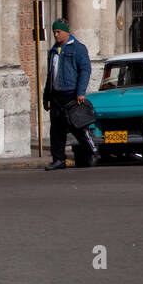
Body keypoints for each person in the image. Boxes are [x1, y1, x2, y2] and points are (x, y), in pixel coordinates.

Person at [43, 18, 97, 170]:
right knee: (56, 129)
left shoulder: (78, 48)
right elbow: (50, 75)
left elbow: (85, 70)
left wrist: (80, 92)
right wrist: (46, 97)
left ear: (66, 32)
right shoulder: (53, 51)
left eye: (58, 32)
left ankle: (92, 152)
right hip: (56, 95)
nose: (56, 35)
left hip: (71, 94)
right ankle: (59, 159)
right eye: (54, 32)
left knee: (77, 126)